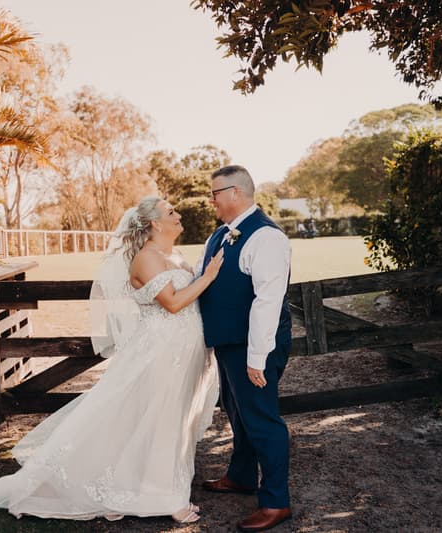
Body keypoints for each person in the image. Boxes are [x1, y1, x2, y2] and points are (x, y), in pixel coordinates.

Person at [0, 196, 224, 524]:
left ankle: (133, 487)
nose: (178, 215)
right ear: (153, 224)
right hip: (160, 353)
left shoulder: (174, 255)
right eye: (171, 212)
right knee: (159, 421)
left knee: (174, 420)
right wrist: (208, 277)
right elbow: (173, 304)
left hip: (185, 351)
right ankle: (166, 498)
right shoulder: (146, 258)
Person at [197, 165, 293, 531]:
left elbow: (268, 301)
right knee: (236, 412)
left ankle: (276, 502)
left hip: (256, 345)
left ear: (235, 192)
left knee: (262, 420)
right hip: (229, 343)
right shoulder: (220, 235)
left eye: (215, 194)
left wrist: (257, 359)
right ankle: (240, 476)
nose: (212, 201)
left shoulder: (267, 237)